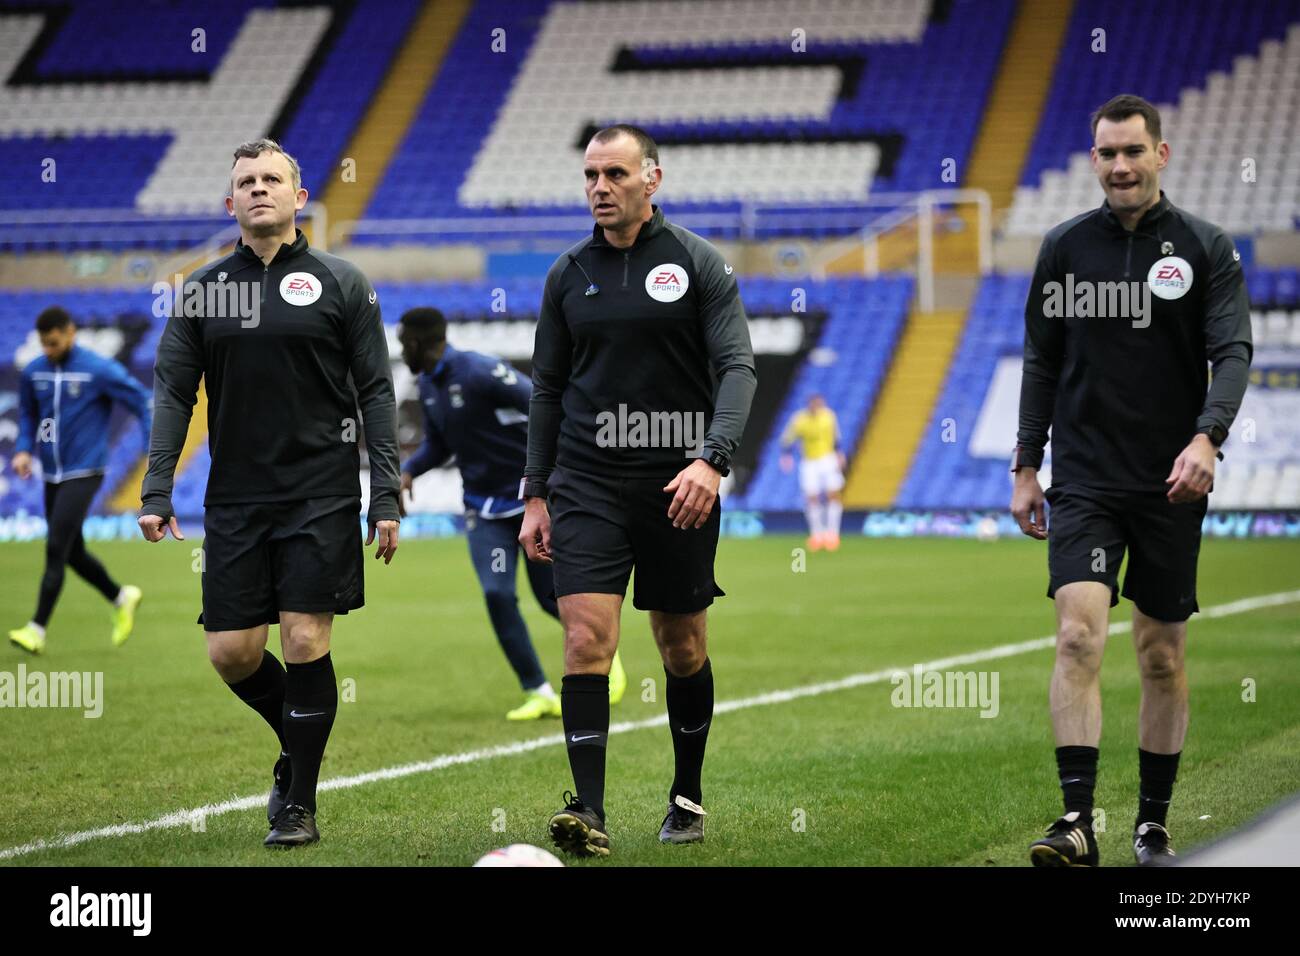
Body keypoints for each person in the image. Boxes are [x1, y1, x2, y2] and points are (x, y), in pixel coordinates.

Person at [138, 139, 401, 848]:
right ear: (230, 204)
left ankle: (298, 804)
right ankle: (297, 743)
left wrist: (385, 494)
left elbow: (376, 390)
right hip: (236, 495)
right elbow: (172, 391)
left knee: (305, 637)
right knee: (231, 652)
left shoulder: (342, 282)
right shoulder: (201, 289)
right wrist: (156, 486)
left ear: (299, 197)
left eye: (271, 179)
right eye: (246, 182)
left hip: (320, 490)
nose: (259, 189)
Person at [1012, 95, 1252, 867]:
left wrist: (1207, 439)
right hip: (1083, 478)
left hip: (1172, 483)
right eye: (1107, 153)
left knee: (1159, 654)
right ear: (1093, 159)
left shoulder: (1206, 248)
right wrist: (1025, 465)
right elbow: (1042, 361)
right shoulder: (1063, 249)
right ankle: (1077, 821)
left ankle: (1152, 823)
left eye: (1133, 152)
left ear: (1162, 154)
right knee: (1079, 633)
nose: (1120, 166)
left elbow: (1235, 353)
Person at [520, 124, 756, 857]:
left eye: (615, 174)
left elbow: (738, 370)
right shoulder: (567, 275)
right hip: (585, 481)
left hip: (677, 485)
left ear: (651, 180)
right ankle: (587, 809)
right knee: (586, 638)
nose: (599, 187)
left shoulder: (697, 264)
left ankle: (686, 795)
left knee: (681, 645)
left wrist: (712, 460)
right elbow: (549, 389)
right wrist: (536, 493)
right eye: (590, 175)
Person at [395, 306, 627, 720]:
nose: (399, 348)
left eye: (402, 342)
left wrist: (555, 473)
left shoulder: (480, 372)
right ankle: (537, 690)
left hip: (529, 503)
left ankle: (602, 648)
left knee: (547, 597)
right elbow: (439, 444)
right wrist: (409, 471)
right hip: (482, 508)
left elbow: (539, 400)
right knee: (496, 593)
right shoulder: (429, 385)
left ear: (416, 342)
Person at [8, 306, 149, 654]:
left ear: (70, 333)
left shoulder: (98, 369)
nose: (48, 350)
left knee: (55, 547)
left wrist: (153, 452)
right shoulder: (35, 371)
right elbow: (27, 413)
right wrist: (24, 448)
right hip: (52, 471)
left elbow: (140, 402)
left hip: (86, 470)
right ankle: (121, 596)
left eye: (54, 342)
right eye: (43, 344)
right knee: (72, 551)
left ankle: (36, 629)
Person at [779, 393, 845, 551]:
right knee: (812, 497)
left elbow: (836, 438)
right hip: (809, 462)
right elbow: (787, 439)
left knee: (833, 495)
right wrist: (786, 456)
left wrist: (839, 455)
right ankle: (817, 534)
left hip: (828, 459)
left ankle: (833, 533)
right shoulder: (800, 419)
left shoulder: (829, 416)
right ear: (809, 405)